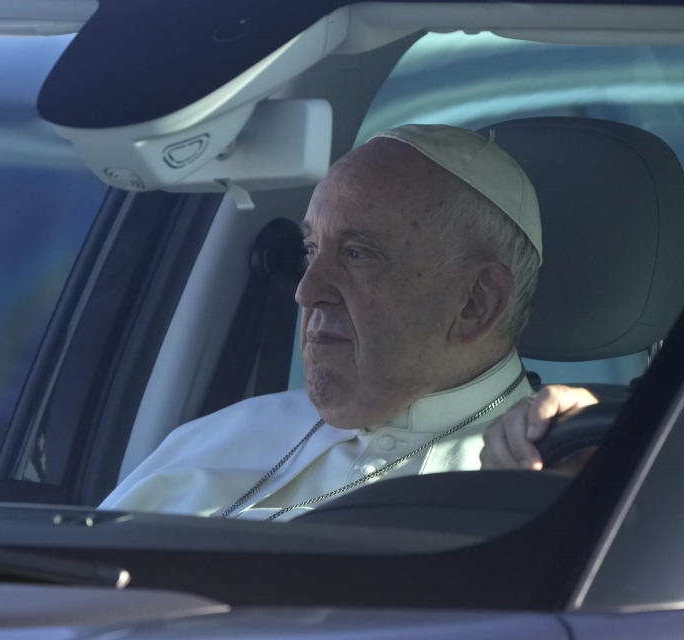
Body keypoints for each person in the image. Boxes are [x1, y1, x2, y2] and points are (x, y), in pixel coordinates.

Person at [100, 123, 581, 521]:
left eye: (357, 254)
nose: (306, 291)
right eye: (310, 250)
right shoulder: (213, 437)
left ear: (476, 302)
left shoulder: (549, 485)